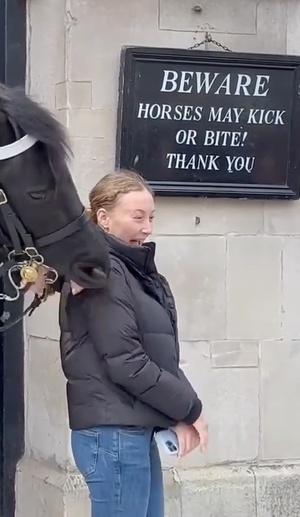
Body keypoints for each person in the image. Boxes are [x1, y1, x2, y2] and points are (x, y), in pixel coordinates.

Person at [58, 169, 210, 517]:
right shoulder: (101, 272)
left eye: (151, 217)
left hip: (130, 431)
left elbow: (160, 357)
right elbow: (127, 361)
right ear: (104, 218)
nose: (148, 228)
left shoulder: (132, 272)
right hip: (112, 435)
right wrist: (190, 409)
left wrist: (183, 409)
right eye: (137, 217)